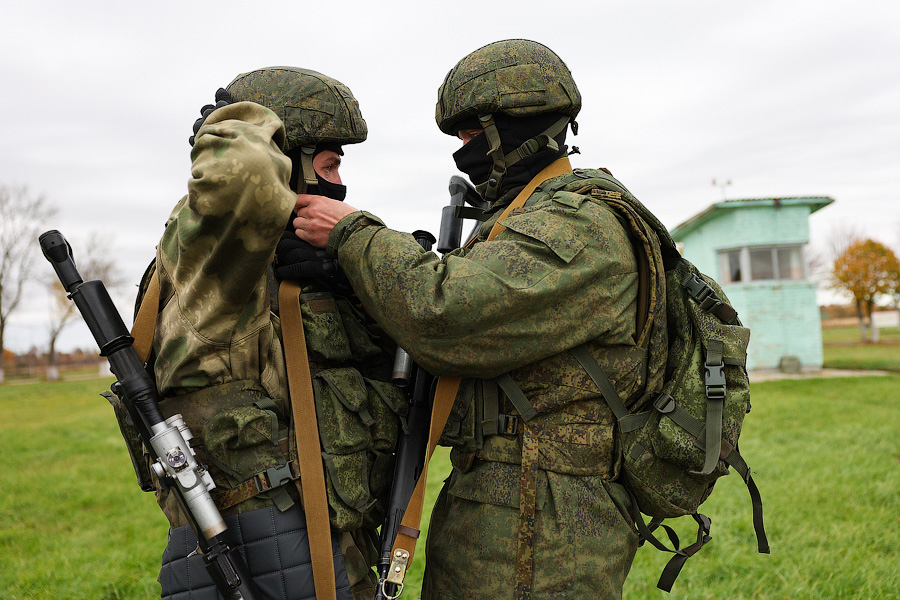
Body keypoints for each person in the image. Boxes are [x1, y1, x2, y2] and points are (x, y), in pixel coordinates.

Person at [286, 40, 667, 599]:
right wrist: (351, 278)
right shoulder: (522, 219)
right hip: (501, 494)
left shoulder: (579, 224)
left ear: (512, 128)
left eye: (470, 137)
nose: (464, 155)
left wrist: (351, 235)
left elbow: (447, 317)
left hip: (546, 515)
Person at [144, 66, 404, 600]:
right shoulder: (213, 261)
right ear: (291, 169)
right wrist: (241, 123)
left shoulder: (286, 268)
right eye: (327, 167)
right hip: (260, 547)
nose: (336, 185)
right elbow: (243, 172)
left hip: (323, 540)